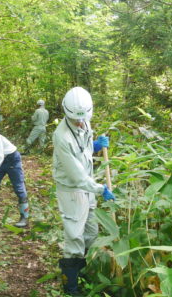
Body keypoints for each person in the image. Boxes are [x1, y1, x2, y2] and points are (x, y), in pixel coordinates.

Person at [52, 87, 115, 296]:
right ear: (66, 113)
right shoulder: (61, 137)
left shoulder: (84, 120)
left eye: (83, 119)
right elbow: (76, 176)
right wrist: (100, 189)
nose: (80, 123)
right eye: (75, 119)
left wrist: (95, 146)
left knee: (92, 232)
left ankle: (85, 270)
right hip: (72, 190)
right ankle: (71, 285)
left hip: (87, 187)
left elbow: (84, 150)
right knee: (74, 235)